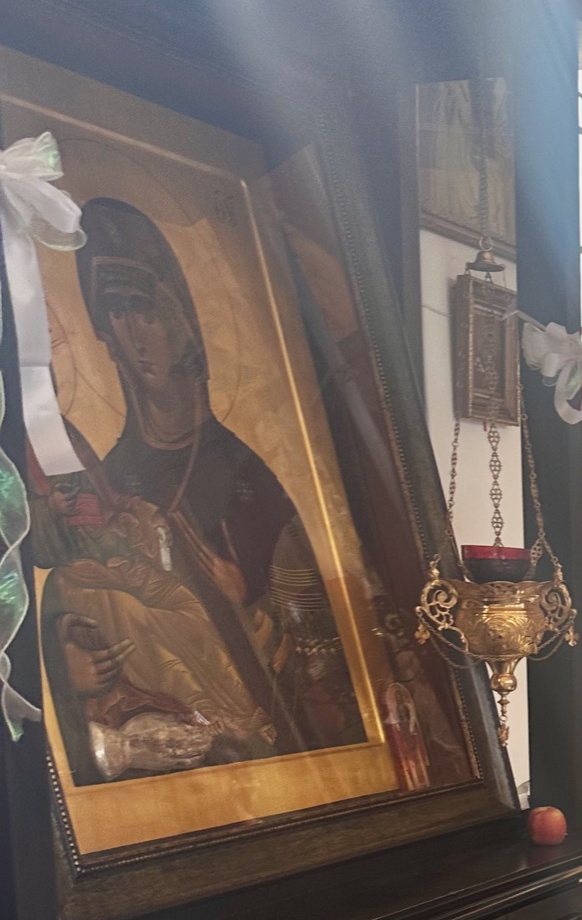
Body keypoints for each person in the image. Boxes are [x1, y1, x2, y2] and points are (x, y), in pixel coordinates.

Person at [32, 196, 364, 781]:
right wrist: (68, 649)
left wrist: (250, 603)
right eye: (114, 313)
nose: (133, 334)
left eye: (146, 310)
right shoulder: (107, 478)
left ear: (182, 323)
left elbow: (326, 650)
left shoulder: (249, 477)